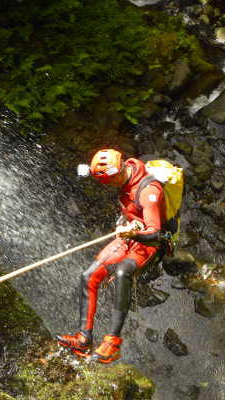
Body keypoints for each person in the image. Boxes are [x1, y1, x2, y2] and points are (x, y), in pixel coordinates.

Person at [56, 149, 172, 364]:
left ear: (119, 173)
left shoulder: (149, 191)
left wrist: (132, 232)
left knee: (122, 272)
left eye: (110, 182)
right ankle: (84, 338)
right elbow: (94, 172)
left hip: (151, 241)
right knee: (89, 276)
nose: (109, 186)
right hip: (130, 234)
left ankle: (113, 343)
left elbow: (155, 233)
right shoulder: (119, 173)